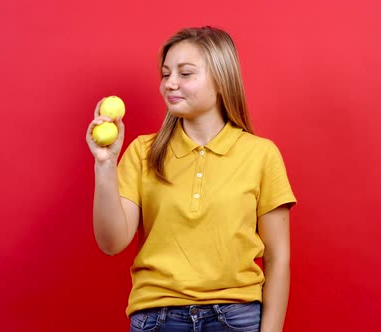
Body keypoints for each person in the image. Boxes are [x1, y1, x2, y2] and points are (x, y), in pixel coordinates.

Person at [86, 26, 297, 332]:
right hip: (157, 319)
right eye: (165, 73)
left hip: (236, 319)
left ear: (222, 80)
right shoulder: (143, 152)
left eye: (185, 74)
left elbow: (278, 259)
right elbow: (111, 242)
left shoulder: (261, 155)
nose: (170, 84)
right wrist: (105, 165)